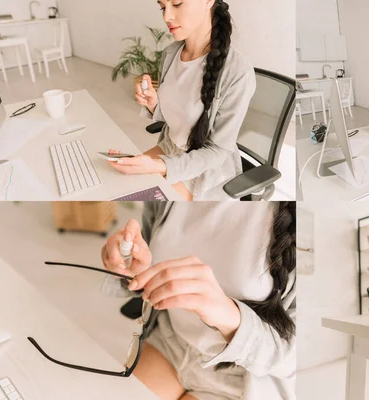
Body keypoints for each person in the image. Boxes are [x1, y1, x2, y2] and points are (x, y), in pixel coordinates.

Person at [101, 202, 296, 400]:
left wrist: (230, 316)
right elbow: (150, 257)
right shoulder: (168, 192)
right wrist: (134, 270)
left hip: (243, 377)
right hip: (170, 342)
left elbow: (299, 358)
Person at [108, 0, 256, 201]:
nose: (166, 16)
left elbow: (217, 151)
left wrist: (162, 167)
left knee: (134, 198)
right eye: (162, 6)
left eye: (177, 4)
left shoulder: (238, 73)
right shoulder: (171, 54)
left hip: (205, 173)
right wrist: (154, 105)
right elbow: (181, 118)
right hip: (170, 148)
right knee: (116, 181)